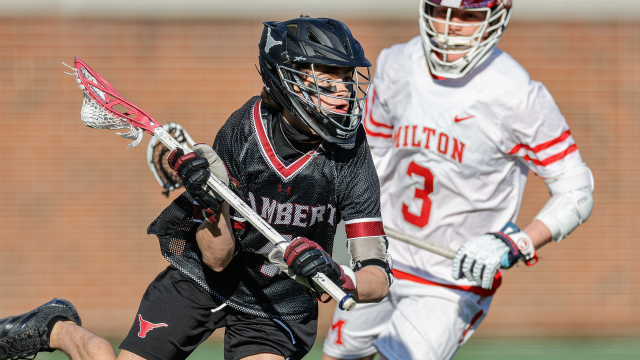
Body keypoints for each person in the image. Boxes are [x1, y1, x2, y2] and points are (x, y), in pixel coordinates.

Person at [0, 17, 392, 360]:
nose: (343, 92)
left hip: (276, 302)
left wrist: (336, 274)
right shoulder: (244, 132)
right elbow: (217, 259)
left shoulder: (352, 153)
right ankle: (58, 326)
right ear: (284, 80)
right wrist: (209, 201)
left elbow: (377, 278)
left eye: (345, 78)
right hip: (203, 279)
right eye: (327, 79)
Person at [322, 1, 594, 359]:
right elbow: (372, 158)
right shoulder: (396, 64)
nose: (450, 27)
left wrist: (514, 244)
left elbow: (577, 191)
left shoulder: (517, 95)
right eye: (440, 11)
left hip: (450, 279)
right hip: (383, 256)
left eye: (468, 16)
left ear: (496, 18)